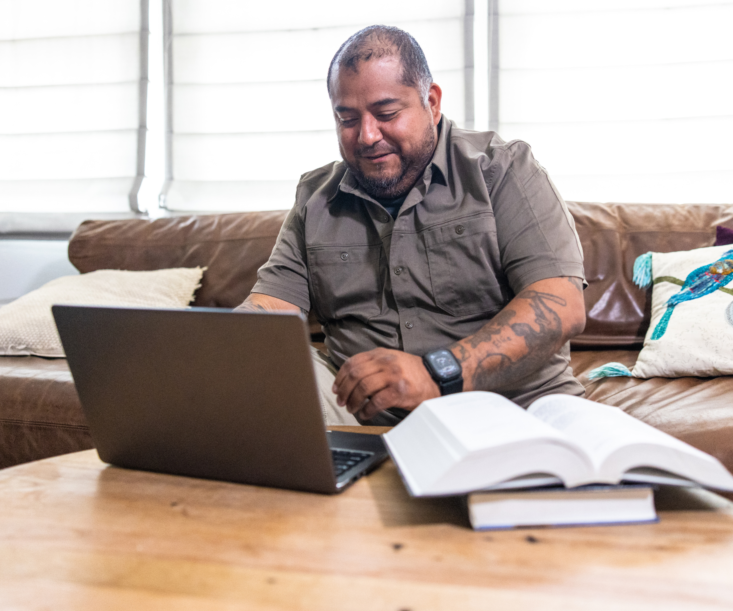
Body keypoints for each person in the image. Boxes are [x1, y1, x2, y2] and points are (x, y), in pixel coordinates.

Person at [237, 25, 586, 426]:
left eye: (386, 114)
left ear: (431, 103)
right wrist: (210, 346)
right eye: (347, 118)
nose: (367, 136)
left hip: (513, 409)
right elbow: (270, 309)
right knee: (273, 368)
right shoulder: (315, 200)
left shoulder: (502, 170)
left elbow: (560, 304)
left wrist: (437, 372)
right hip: (367, 422)